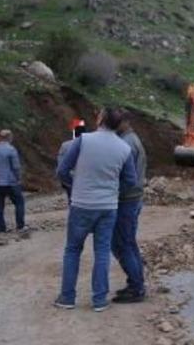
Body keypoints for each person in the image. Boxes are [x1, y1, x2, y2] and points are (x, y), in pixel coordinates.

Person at [55, 107, 137, 313]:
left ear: (100, 119)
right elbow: (131, 181)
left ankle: (67, 297)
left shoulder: (83, 141)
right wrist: (112, 191)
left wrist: (75, 187)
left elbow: (62, 170)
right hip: (107, 207)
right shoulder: (123, 148)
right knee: (102, 252)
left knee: (73, 250)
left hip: (81, 204)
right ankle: (99, 300)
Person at [112, 115, 147, 304]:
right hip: (132, 199)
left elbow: (127, 178)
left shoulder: (127, 144)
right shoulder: (131, 140)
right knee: (128, 243)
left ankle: (136, 287)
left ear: (125, 121)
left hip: (126, 200)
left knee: (122, 244)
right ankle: (136, 283)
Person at [0, 130, 25, 233]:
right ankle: (20, 226)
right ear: (9, 137)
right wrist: (19, 178)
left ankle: (1, 228)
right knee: (19, 202)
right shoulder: (11, 149)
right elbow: (16, 167)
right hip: (10, 181)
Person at [57, 119, 87, 203]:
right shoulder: (91, 144)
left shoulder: (66, 145)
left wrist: (67, 182)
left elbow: (61, 167)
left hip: (72, 180)